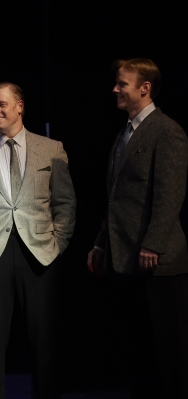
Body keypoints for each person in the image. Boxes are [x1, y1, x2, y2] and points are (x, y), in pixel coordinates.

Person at [0, 82, 76, 399]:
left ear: (20, 106)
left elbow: (65, 203)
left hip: (39, 252)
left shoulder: (51, 148)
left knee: (44, 342)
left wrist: (57, 243)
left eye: (2, 104)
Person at [87, 58, 188, 399]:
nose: (115, 89)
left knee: (165, 352)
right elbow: (116, 198)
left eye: (122, 84)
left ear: (144, 89)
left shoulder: (166, 130)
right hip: (124, 257)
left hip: (155, 262)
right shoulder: (125, 132)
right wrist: (102, 243)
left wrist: (154, 244)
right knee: (138, 350)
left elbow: (169, 194)